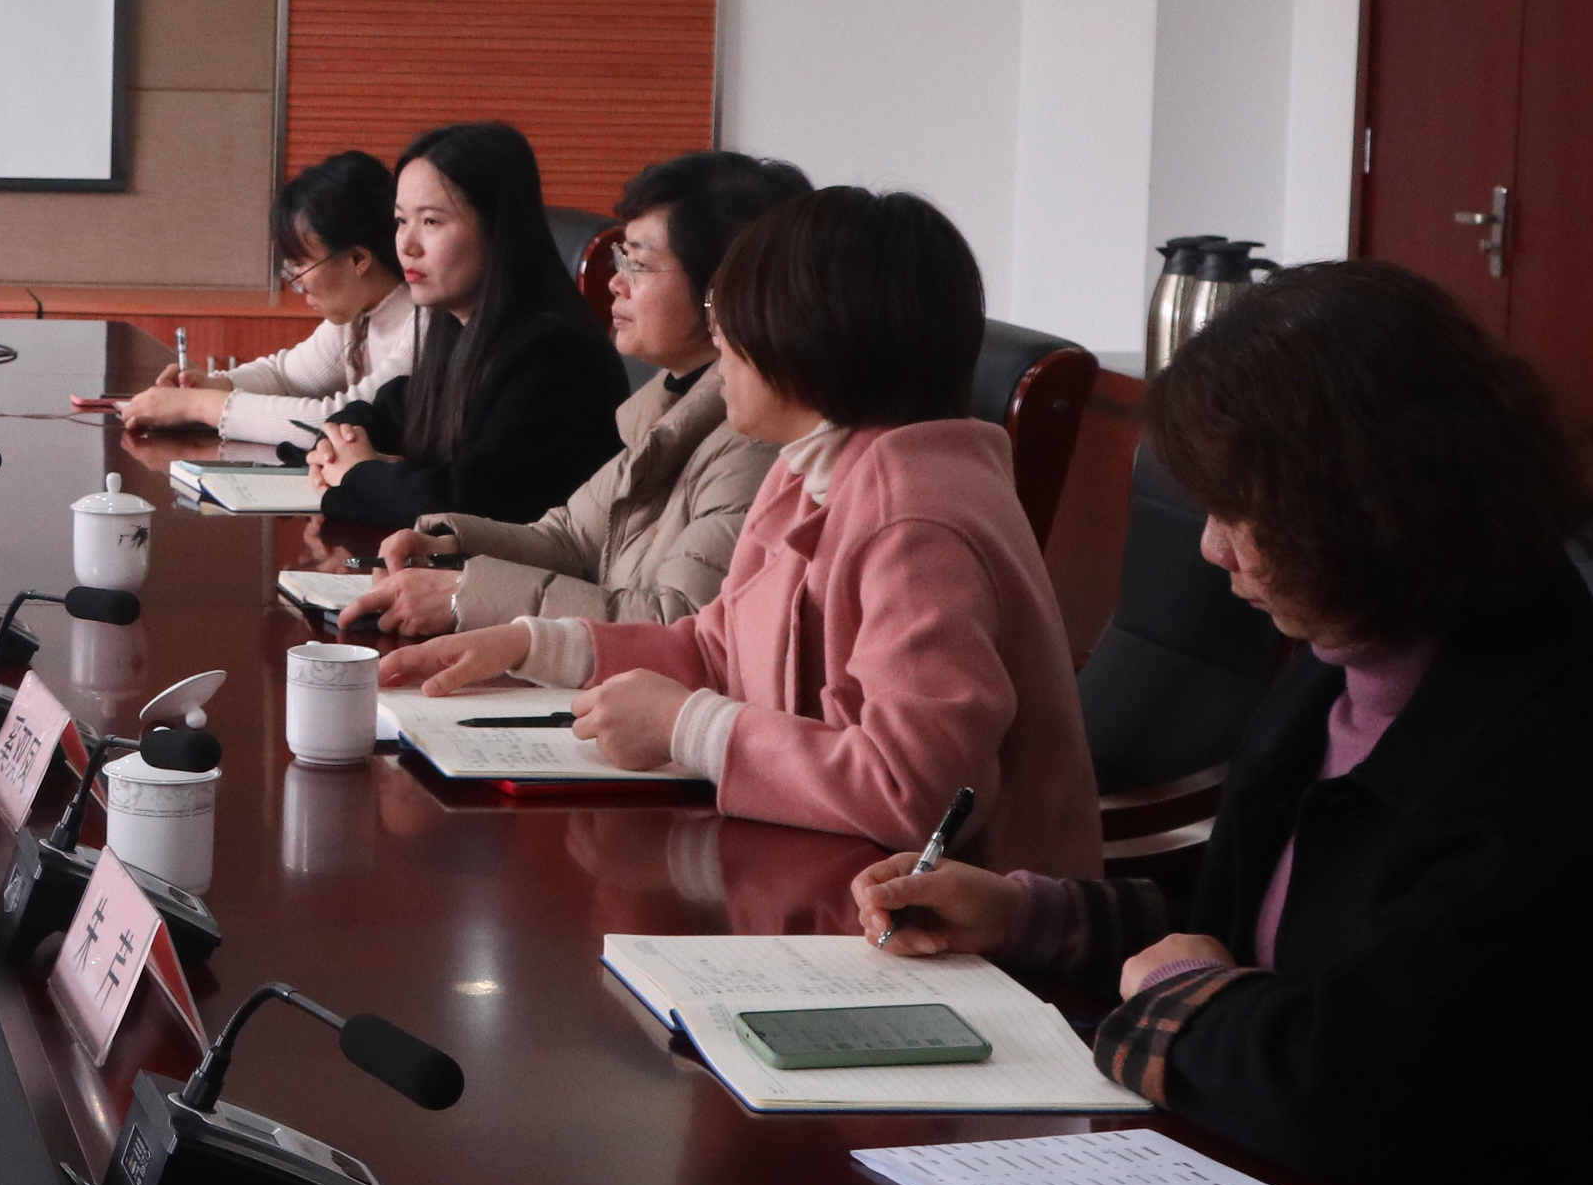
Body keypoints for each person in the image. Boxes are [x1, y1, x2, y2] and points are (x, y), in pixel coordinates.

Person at [856, 260, 1593, 1185]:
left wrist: (1176, 1000)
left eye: (1238, 514)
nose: (1211, 549)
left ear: (1362, 507)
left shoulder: (1556, 759)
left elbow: (1349, 1081)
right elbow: (1258, 929)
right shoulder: (1349, 671)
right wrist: (1030, 916)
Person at [382, 187, 1100, 874]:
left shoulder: (915, 518)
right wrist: (533, 644)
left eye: (732, 316)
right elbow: (718, 648)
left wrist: (690, 729)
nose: (717, 338)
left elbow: (917, 792)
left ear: (812, 338)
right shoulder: (805, 468)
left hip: (949, 924)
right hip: (832, 869)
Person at [347, 150, 806, 642]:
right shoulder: (666, 405)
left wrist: (464, 596)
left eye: (639, 264)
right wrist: (446, 546)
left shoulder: (755, 440)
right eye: (620, 258)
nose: (615, 282)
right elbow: (571, 539)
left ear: (727, 288)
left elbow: (677, 626)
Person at [313, 123, 626, 529]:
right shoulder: (461, 326)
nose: (406, 245)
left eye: (431, 222)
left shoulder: (554, 354)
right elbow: (390, 408)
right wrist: (339, 442)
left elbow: (471, 503)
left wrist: (358, 475)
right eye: (400, 220)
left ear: (497, 229)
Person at [87, 151, 424, 445]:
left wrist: (199, 405)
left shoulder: (425, 325)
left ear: (357, 259)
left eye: (301, 264)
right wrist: (217, 384)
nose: (296, 282)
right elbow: (284, 377)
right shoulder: (358, 314)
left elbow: (339, 422)